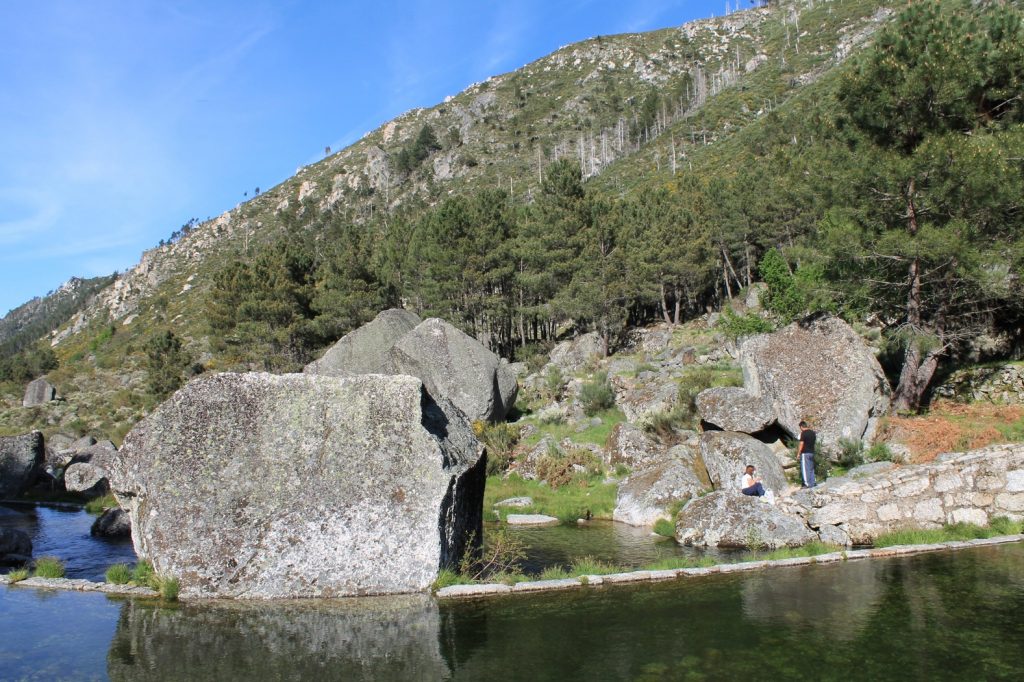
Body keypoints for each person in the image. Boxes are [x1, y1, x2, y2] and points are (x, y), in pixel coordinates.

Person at [797, 420, 817, 488]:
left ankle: (806, 484)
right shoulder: (813, 433)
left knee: (805, 469)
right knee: (811, 468)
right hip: (812, 452)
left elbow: (801, 444)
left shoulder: (804, 433)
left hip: (805, 453)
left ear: (801, 427)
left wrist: (798, 453)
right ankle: (813, 482)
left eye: (800, 427)